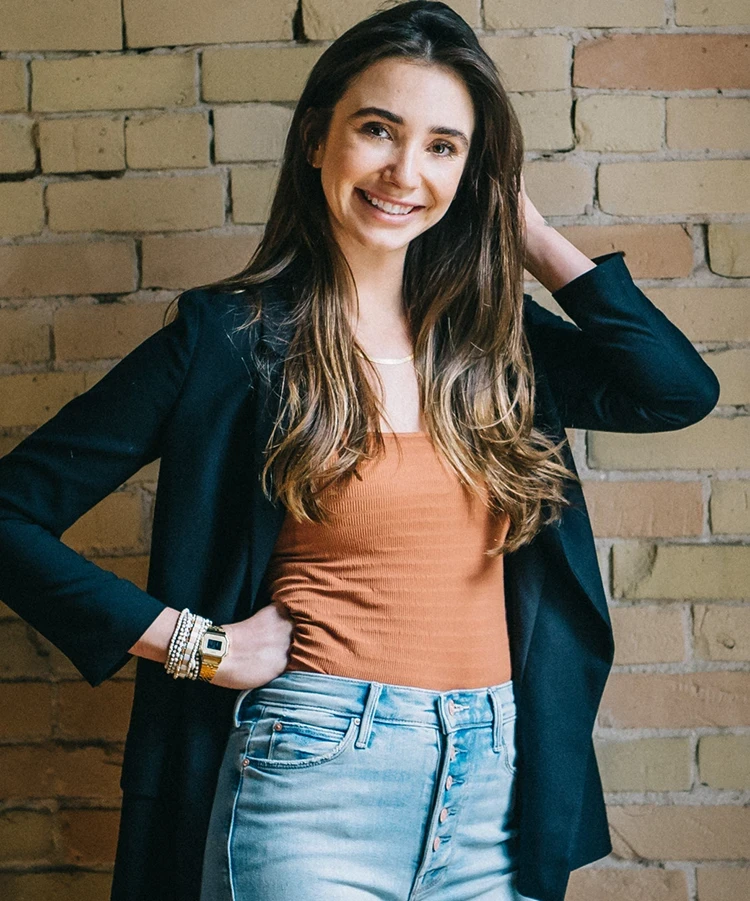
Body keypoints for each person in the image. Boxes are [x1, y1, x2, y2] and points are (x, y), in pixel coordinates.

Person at [0, 2, 720, 900]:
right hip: (314, 775)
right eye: (378, 130)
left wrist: (524, 231)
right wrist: (194, 644)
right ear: (316, 140)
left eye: (444, 147)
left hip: (494, 782)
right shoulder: (228, 339)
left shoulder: (495, 343)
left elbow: (677, 390)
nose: (405, 172)